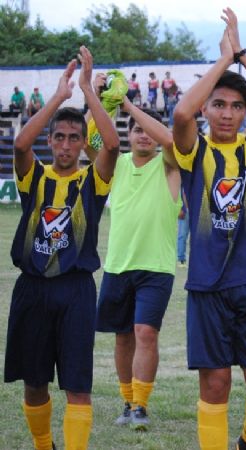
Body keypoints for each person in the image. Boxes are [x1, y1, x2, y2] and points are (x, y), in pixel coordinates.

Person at [170, 9, 246, 449]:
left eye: (236, 106)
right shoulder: (192, 148)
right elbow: (182, 112)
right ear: (208, 108)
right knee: (215, 385)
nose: (226, 113)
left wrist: (242, 55)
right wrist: (222, 63)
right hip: (207, 286)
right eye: (218, 104)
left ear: (245, 112)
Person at [4, 46, 120, 450]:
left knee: (77, 385)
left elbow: (110, 146)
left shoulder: (92, 181)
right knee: (34, 383)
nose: (68, 145)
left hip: (75, 290)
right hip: (33, 287)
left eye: (74, 138)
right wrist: (58, 96)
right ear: (51, 141)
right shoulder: (35, 176)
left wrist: (88, 90)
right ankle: (42, 445)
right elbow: (20, 145)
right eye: (61, 138)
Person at [93, 97, 181, 431]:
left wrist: (130, 107)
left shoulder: (170, 164)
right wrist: (95, 97)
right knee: (122, 337)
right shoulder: (116, 163)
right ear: (128, 135)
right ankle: (128, 402)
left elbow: (170, 140)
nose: (144, 135)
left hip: (156, 267)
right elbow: (92, 141)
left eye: (149, 130)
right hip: (118, 265)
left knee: (145, 332)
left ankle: (141, 406)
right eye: (137, 131)